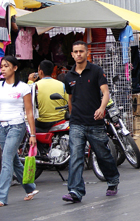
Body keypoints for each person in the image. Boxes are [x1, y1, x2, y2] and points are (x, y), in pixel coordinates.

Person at [62, 41, 119, 203]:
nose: (78, 54)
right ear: (72, 54)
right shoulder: (69, 76)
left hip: (95, 122)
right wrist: (72, 116)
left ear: (86, 53)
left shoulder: (96, 71)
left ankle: (113, 180)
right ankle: (75, 191)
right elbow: (70, 98)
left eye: (81, 51)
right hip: (77, 123)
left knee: (102, 154)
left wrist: (102, 108)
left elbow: (105, 92)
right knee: (76, 156)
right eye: (75, 52)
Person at [0, 55, 38, 206]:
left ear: (15, 68)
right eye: (2, 66)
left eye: (6, 66)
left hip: (17, 126)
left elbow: (29, 112)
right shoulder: (0, 86)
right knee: (13, 159)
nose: (3, 69)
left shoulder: (23, 87)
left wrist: (32, 134)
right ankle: (30, 188)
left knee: (6, 160)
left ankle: (2, 196)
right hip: (1, 127)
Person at [28, 60, 69, 131]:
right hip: (60, 120)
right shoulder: (61, 85)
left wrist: (30, 81)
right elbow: (67, 103)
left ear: (40, 72)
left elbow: (28, 100)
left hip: (42, 122)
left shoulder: (35, 85)